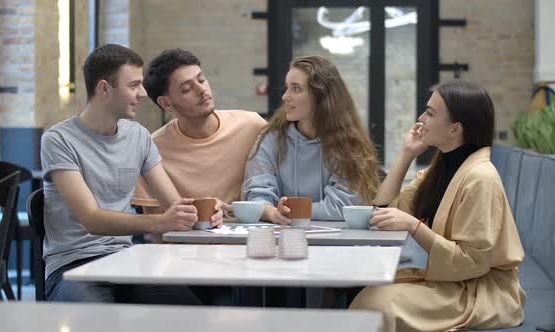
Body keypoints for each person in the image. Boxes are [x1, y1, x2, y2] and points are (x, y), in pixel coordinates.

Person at [350, 80, 525, 331]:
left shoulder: (481, 178)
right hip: (454, 280)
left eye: (430, 113)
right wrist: (406, 154)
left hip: (481, 290)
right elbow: (384, 209)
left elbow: (471, 261)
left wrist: (413, 227)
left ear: (455, 129)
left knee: (377, 306)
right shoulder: (440, 167)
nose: (420, 118)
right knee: (369, 294)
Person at [40, 44, 205, 304]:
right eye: (134, 85)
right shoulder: (58, 140)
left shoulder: (138, 136)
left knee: (190, 312)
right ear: (104, 88)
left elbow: (173, 205)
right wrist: (160, 222)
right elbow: (91, 219)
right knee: (101, 321)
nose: (142, 93)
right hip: (72, 267)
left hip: (124, 260)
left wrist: (201, 212)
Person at [242, 55, 380, 223]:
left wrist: (289, 212)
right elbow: (257, 195)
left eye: (296, 89)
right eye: (287, 88)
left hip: (337, 243)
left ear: (321, 96)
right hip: (282, 238)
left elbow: (343, 207)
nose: (285, 96)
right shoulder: (271, 138)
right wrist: (270, 212)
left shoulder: (349, 144)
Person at [132, 48, 266, 218]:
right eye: (187, 89)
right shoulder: (151, 149)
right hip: (188, 241)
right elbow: (157, 229)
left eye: (201, 80)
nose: (201, 90)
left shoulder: (253, 126)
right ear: (166, 103)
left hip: (248, 238)